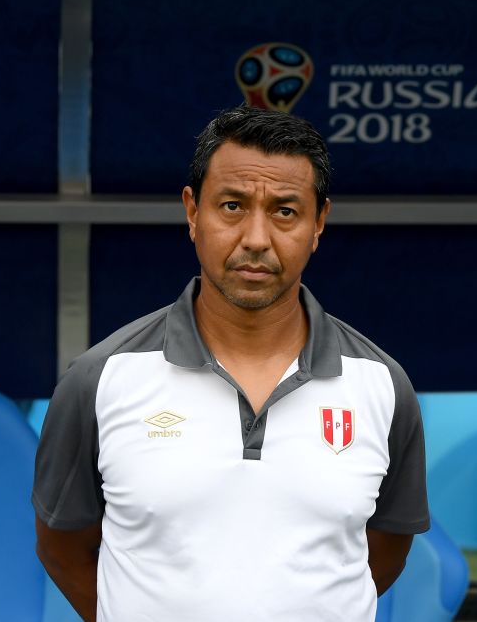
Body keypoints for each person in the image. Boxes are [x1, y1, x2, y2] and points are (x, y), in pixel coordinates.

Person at [33, 106, 429, 621]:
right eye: (232, 206)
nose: (257, 239)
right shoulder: (100, 378)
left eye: (285, 211)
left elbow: (385, 551)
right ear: (193, 212)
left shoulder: (382, 385)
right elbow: (63, 549)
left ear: (319, 223)